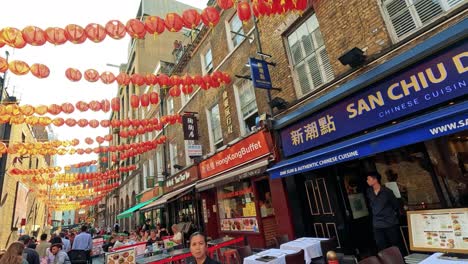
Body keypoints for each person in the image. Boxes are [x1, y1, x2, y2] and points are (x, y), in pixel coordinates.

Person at [366, 172, 403, 253]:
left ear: (375, 180)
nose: (367, 181)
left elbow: (395, 205)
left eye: (368, 179)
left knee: (395, 245)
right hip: (377, 224)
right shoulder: (369, 192)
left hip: (390, 222)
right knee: (381, 245)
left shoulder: (387, 192)